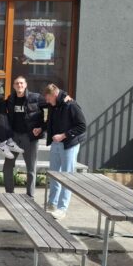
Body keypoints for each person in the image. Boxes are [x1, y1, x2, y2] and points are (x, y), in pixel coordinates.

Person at [44, 83, 87, 220]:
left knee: (67, 177)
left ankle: (62, 208)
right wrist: (41, 129)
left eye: (48, 98)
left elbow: (82, 126)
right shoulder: (54, 105)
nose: (47, 101)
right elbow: (50, 121)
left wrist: (63, 136)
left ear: (54, 95)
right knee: (54, 175)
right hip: (56, 144)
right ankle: (52, 203)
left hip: (69, 145)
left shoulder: (71, 105)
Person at [4, 76, 45, 198]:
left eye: (21, 83)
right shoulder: (11, 99)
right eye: (17, 83)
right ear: (13, 86)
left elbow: (50, 108)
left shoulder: (36, 98)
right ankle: (9, 194)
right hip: (14, 137)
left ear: (26, 85)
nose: (19, 85)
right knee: (7, 166)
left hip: (29, 137)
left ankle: (30, 195)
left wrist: (42, 127)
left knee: (31, 168)